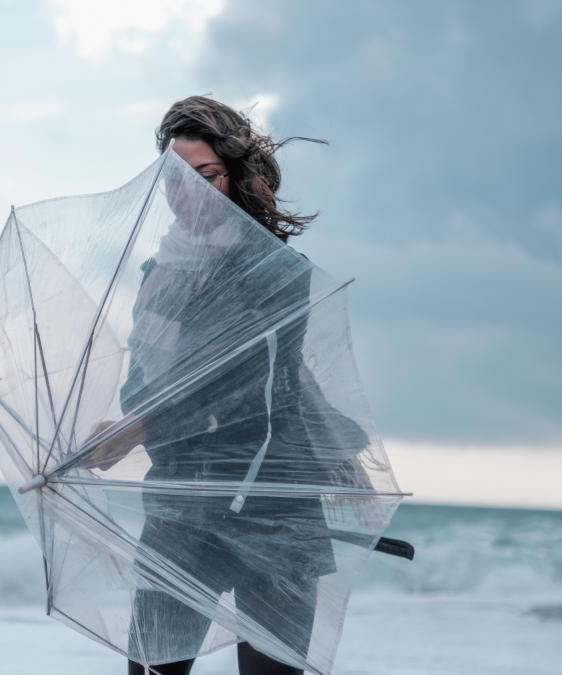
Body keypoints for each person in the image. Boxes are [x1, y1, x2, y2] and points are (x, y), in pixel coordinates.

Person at [86, 95, 377, 675]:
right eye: (174, 180)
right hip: (181, 505)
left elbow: (240, 380)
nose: (187, 194)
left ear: (235, 177)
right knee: (151, 670)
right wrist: (120, 424)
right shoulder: (156, 278)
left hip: (272, 508)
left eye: (206, 176)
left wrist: (139, 426)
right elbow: (141, 385)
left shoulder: (277, 272)